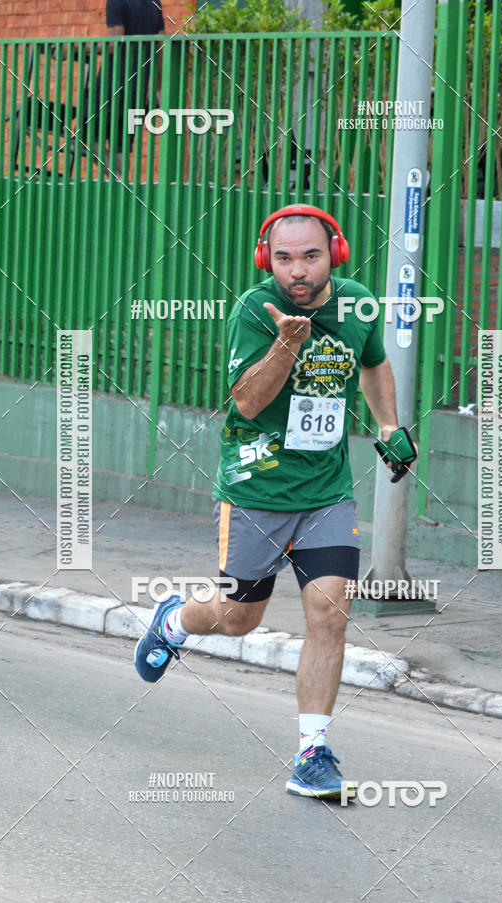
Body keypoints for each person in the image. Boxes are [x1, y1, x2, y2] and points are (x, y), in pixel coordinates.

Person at [134, 205, 404, 799]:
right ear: (267, 260)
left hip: (327, 491)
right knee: (236, 618)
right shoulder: (257, 309)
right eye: (284, 259)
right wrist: (285, 345)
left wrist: (388, 426)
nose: (297, 272)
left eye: (310, 256)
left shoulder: (357, 302)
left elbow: (375, 364)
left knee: (329, 616)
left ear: (335, 252)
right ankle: (174, 620)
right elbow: (247, 403)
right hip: (257, 490)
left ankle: (313, 752)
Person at [90, 0, 165, 170]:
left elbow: (114, 44)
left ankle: (118, 180)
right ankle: (120, 186)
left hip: (112, 82)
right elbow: (160, 48)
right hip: (139, 85)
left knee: (86, 135)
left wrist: (75, 49)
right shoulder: (155, 3)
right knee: (121, 143)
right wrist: (156, 88)